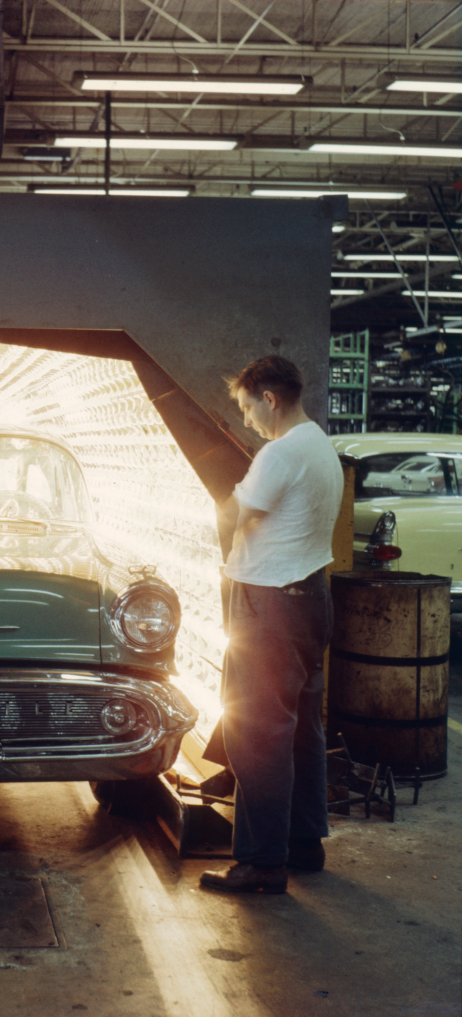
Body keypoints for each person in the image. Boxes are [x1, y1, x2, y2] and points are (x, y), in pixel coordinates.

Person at [200, 354, 343, 894]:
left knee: (257, 731)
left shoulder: (279, 454)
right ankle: (304, 842)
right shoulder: (321, 446)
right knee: (302, 726)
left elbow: (237, 516)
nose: (246, 421)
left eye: (247, 408)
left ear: (270, 398)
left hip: (270, 604)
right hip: (310, 598)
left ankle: (262, 863)